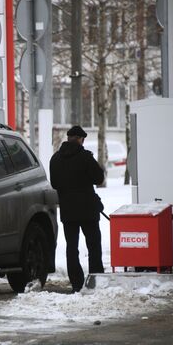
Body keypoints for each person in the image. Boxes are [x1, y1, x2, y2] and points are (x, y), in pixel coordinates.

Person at [49, 125, 105, 293]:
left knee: (71, 247)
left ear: (68, 138)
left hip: (68, 210)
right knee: (94, 245)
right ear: (81, 139)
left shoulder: (55, 159)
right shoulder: (86, 157)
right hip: (88, 209)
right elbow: (99, 178)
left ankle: (76, 284)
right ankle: (96, 280)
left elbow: (54, 184)